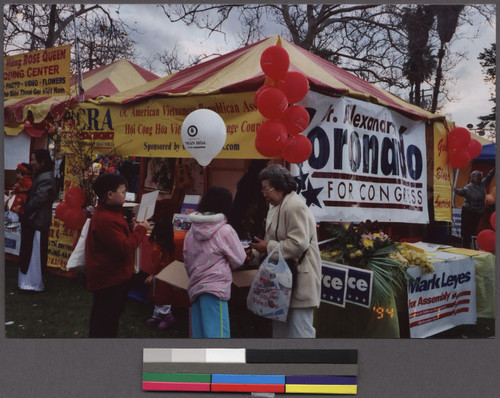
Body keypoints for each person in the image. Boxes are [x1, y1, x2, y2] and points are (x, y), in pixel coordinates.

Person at [251, 164, 321, 338]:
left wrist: (266, 248)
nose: (264, 194)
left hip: (299, 279)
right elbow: (270, 239)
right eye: (262, 189)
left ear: (281, 187)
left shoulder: (294, 206)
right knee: (280, 332)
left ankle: (304, 366)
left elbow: (298, 244)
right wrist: (254, 253)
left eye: (267, 189)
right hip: (281, 282)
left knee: (300, 332)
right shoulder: (276, 206)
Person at [85, 173, 149, 338]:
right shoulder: (106, 218)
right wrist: (141, 231)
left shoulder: (110, 213)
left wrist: (131, 228)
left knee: (106, 320)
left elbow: (118, 238)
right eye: (122, 191)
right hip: (109, 281)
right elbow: (123, 248)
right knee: (105, 324)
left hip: (111, 278)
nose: (125, 195)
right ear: (110, 194)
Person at [183, 186, 247, 338]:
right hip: (215, 289)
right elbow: (239, 259)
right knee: (218, 336)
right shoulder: (225, 230)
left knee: (199, 336)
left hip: (195, 286)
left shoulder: (191, 231)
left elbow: (186, 258)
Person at [18, 150, 57, 292]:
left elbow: (39, 199)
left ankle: (33, 283)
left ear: (43, 162)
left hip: (37, 221)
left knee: (34, 252)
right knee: (28, 250)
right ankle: (26, 281)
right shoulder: (39, 175)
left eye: (34, 159)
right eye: (31, 159)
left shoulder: (46, 177)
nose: (32, 162)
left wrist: (24, 207)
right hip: (32, 220)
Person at [144, 218, 176, 330]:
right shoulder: (165, 244)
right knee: (157, 295)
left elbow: (156, 262)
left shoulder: (160, 246)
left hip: (161, 276)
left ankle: (167, 316)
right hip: (162, 275)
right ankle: (157, 316)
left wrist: (152, 274)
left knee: (161, 296)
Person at [455, 168, 495, 249]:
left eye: (479, 177)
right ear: (472, 178)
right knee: (466, 232)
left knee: (474, 230)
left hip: (478, 212)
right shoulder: (468, 187)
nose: (478, 178)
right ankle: (465, 247)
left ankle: (471, 246)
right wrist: (455, 190)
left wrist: (495, 168)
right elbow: (460, 191)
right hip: (468, 211)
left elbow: (489, 176)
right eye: (476, 177)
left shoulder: (482, 184)